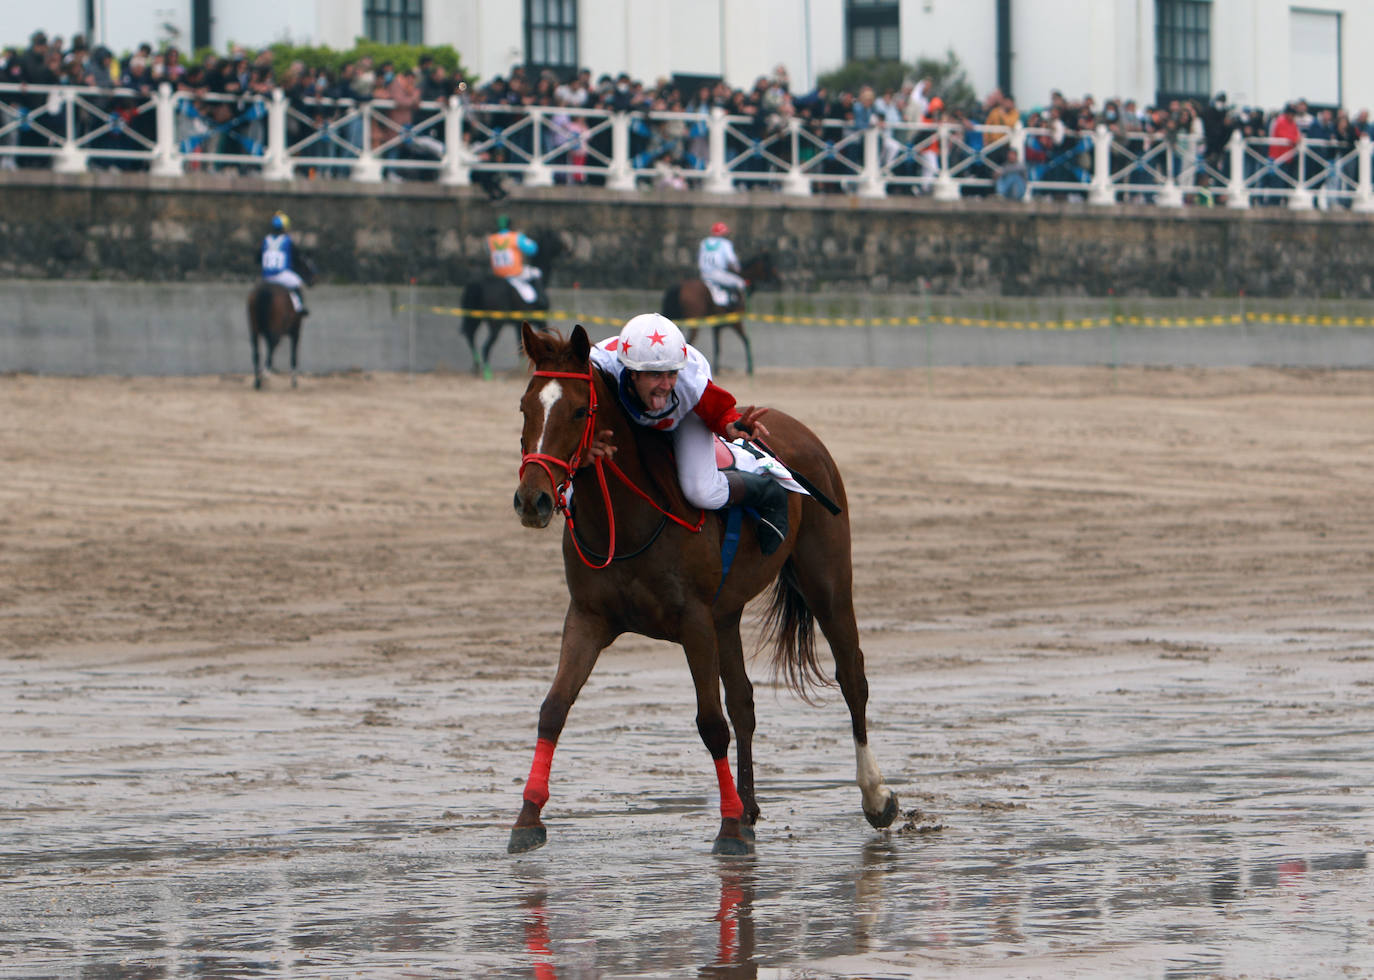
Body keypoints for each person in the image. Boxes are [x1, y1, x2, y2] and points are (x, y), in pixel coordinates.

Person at [586, 313, 789, 554]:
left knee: (701, 492)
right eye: (654, 374)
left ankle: (767, 491)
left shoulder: (690, 381)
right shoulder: (597, 371)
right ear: (631, 372)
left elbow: (721, 413)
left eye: (671, 374)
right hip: (624, 398)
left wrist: (732, 425)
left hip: (686, 411)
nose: (665, 384)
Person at [259, 211, 310, 315]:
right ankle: (299, 307)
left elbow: (257, 258)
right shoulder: (287, 240)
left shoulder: (266, 240)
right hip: (281, 274)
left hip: (266, 276)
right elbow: (297, 258)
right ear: (284, 228)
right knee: (297, 283)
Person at [487, 214, 542, 305]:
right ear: (510, 225)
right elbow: (533, 249)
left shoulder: (490, 240)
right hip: (515, 274)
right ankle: (540, 304)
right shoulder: (516, 237)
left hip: (497, 275)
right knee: (538, 273)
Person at [697, 222, 746, 307]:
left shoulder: (704, 242)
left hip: (704, 274)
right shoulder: (725, 243)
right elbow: (732, 260)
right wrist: (737, 269)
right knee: (740, 283)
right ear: (723, 233)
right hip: (718, 274)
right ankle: (734, 304)